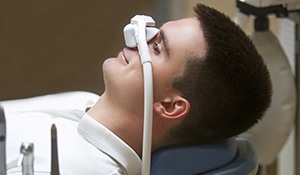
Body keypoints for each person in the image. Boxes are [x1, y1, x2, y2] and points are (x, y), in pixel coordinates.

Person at [4, 3, 272, 175]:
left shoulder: (82, 168)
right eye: (153, 31)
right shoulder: (84, 102)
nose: (137, 38)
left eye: (157, 47)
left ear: (170, 105)